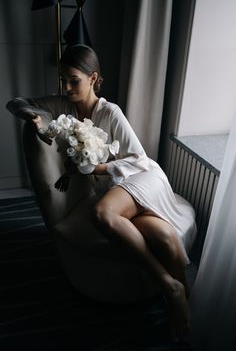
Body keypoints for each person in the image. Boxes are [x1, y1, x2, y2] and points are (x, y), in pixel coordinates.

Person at [6, 44, 196, 336]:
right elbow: (17, 101)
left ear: (93, 78)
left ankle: (168, 285)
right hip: (120, 187)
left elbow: (139, 160)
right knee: (164, 236)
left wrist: (94, 169)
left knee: (102, 213)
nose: (67, 88)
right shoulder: (64, 108)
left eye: (74, 80)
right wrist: (32, 117)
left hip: (141, 178)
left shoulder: (110, 112)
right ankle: (186, 314)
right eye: (63, 80)